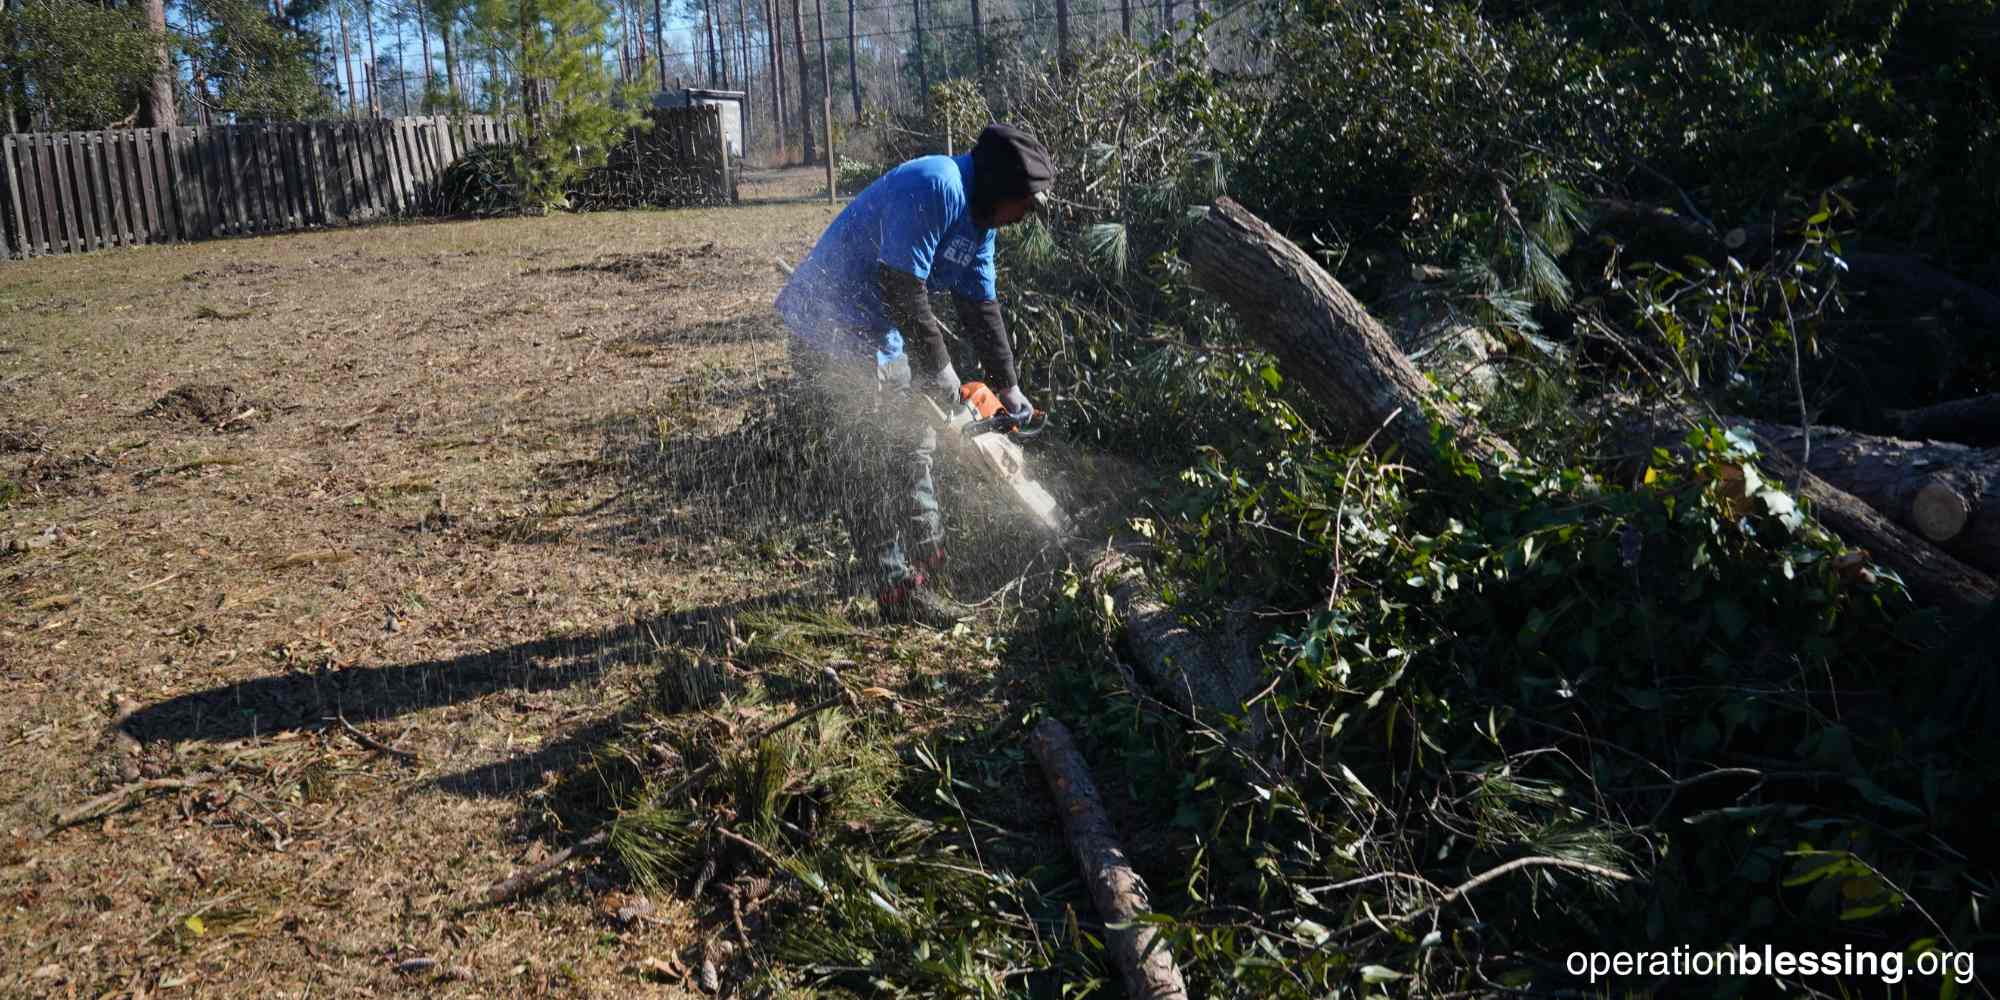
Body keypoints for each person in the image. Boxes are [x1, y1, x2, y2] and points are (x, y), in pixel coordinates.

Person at [774, 123, 1054, 627]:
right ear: (1000, 186)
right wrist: (942, 370)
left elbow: (981, 306)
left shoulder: (980, 224)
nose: (1025, 215)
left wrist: (1008, 388)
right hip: (830, 324)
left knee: (913, 443)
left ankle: (929, 560)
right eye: (1026, 203)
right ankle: (895, 591)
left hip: (881, 332)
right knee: (870, 458)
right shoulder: (937, 184)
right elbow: (902, 286)